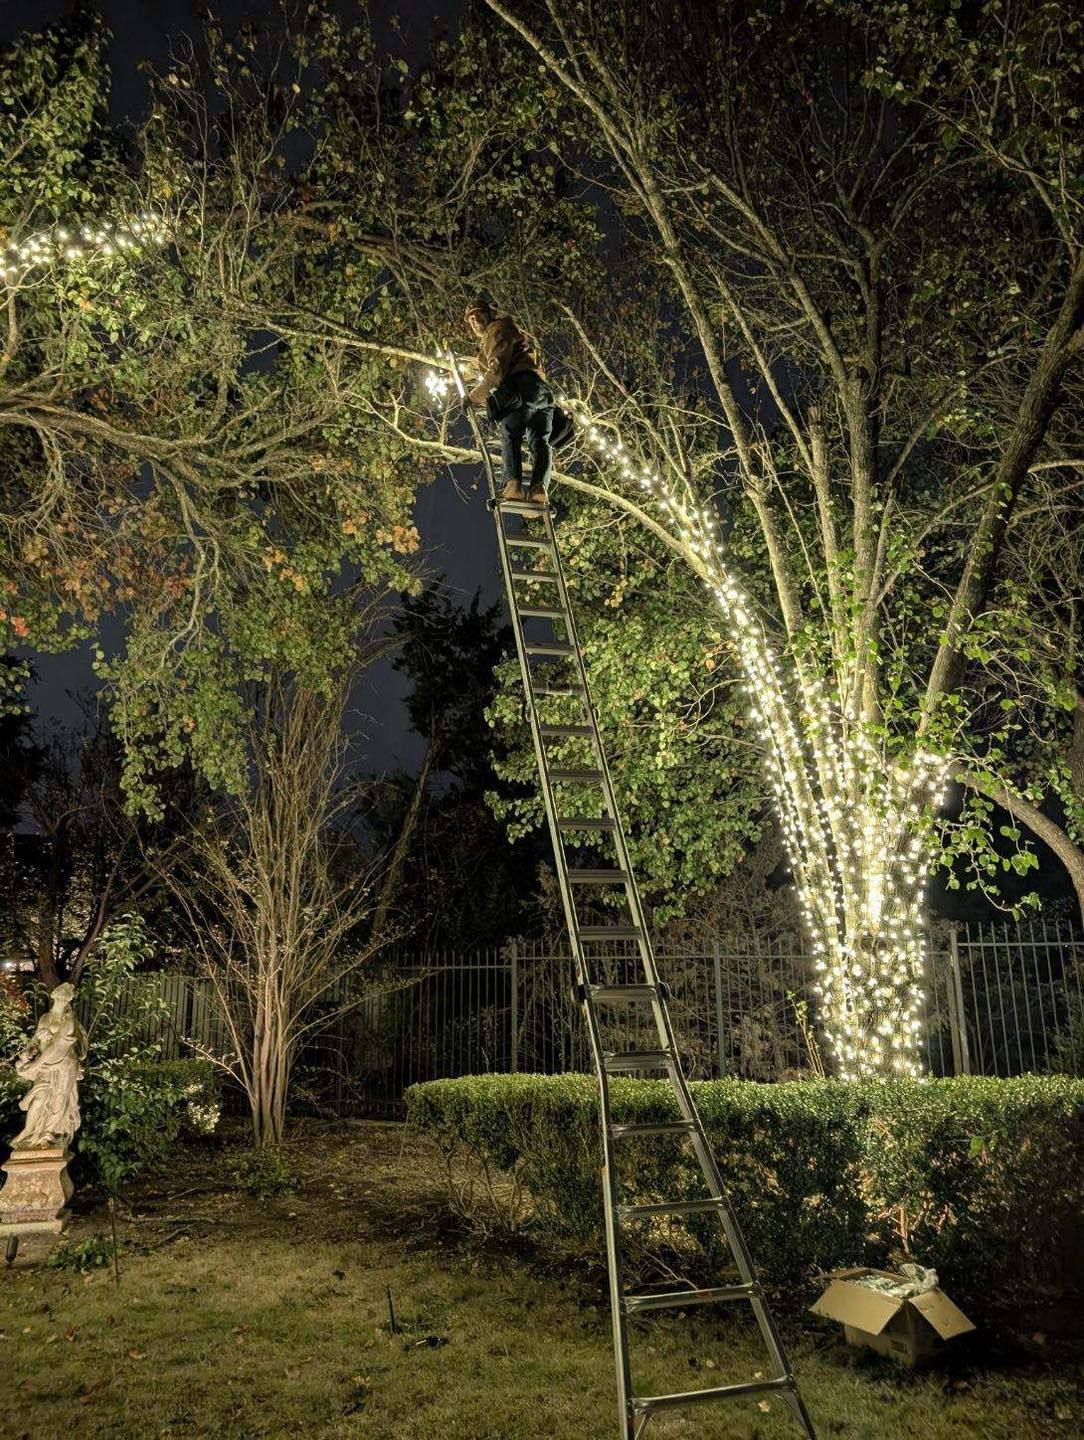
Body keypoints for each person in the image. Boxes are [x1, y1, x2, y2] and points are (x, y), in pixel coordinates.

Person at [463, 299, 554, 504]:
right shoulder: (505, 331)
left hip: (522, 388)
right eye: (471, 319)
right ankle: (539, 488)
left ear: (488, 314)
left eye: (478, 315)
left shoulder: (495, 330)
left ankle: (513, 485)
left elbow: (497, 368)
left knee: (510, 432)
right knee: (540, 441)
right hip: (543, 393)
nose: (475, 321)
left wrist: (473, 397)